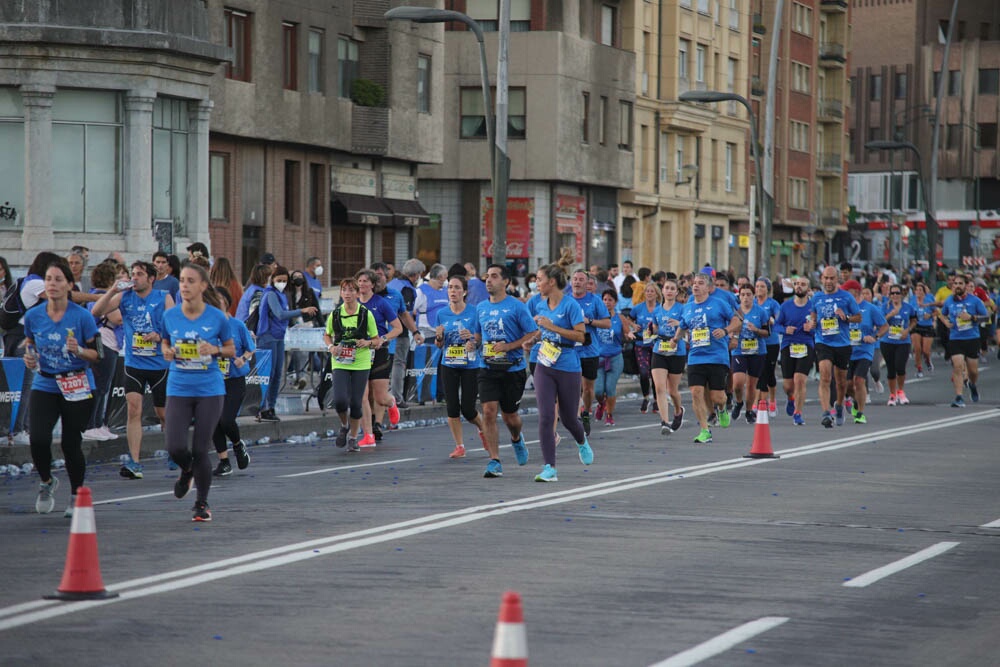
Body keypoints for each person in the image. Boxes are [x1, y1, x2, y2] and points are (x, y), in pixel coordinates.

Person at [23, 260, 101, 516]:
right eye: (48, 279)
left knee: (70, 442)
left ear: (69, 285)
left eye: (58, 279)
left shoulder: (82, 316)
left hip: (77, 383)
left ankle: (77, 494)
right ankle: (46, 481)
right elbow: (29, 342)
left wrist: (78, 350)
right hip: (46, 382)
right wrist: (29, 356)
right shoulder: (34, 315)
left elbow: (97, 353)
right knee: (39, 439)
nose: (52, 284)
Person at [160, 264, 234, 521]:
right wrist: (166, 351)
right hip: (179, 387)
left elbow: (230, 349)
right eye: (181, 280)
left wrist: (214, 350)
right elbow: (165, 340)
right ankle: (187, 470)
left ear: (203, 286)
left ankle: (201, 503)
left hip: (209, 389)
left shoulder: (217, 317)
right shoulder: (170, 316)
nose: (184, 286)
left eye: (190, 281)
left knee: (201, 448)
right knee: (174, 446)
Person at [92, 261, 175, 477]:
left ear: (151, 279)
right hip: (134, 363)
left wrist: (160, 336)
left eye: (139, 274)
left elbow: (176, 327)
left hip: (160, 365)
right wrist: (113, 289)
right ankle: (135, 462)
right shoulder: (125, 297)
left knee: (163, 414)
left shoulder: (163, 297)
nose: (134, 278)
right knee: (134, 408)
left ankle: (174, 450)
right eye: (133, 274)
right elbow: (96, 311)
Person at [530, 260, 593, 482]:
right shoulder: (539, 304)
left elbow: (581, 336)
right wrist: (533, 339)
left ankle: (582, 441)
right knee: (546, 416)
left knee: (568, 418)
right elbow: (541, 329)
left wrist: (552, 327)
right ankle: (550, 467)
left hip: (567, 365)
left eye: (539, 279)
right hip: (544, 365)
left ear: (552, 281)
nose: (536, 283)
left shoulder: (570, 306)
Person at [476, 264, 537, 478]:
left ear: (506, 282)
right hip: (487, 367)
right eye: (487, 277)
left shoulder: (517, 307)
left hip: (513, 368)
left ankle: (516, 439)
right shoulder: (481, 307)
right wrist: (470, 342)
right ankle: (494, 460)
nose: (488, 280)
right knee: (489, 412)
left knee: (510, 416)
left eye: (494, 276)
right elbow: (477, 335)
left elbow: (533, 332)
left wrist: (509, 346)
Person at [669, 273, 740, 443]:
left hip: (717, 356)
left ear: (708, 287)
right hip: (696, 357)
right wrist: (675, 339)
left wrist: (725, 331)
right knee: (696, 392)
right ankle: (704, 430)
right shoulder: (688, 307)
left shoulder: (719, 304)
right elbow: (683, 326)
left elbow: (737, 321)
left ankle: (722, 409)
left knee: (717, 397)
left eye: (700, 283)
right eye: (694, 283)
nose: (696, 286)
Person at [255, 266, 318, 421]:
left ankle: (271, 407)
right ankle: (262, 408)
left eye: (284, 280)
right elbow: (280, 314)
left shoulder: (282, 295)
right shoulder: (270, 294)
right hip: (267, 337)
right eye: (279, 280)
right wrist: (301, 311)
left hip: (279, 337)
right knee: (267, 375)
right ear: (272, 279)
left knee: (277, 375)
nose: (281, 283)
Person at [434, 275, 486, 459]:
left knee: (468, 409)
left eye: (456, 288)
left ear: (464, 292)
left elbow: (480, 339)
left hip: (470, 364)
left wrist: (472, 339)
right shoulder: (441, 313)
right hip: (448, 363)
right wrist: (439, 337)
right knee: (452, 407)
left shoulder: (474, 312)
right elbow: (439, 345)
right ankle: (460, 446)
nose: (452, 291)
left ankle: (483, 429)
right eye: (450, 288)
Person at [326, 277, 379, 452]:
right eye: (344, 290)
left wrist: (367, 343)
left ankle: (354, 438)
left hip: (360, 362)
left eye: (351, 290)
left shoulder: (366, 314)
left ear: (357, 293)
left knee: (356, 403)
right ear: (340, 293)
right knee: (340, 400)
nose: (347, 294)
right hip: (340, 361)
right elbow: (327, 334)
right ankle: (344, 424)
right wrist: (331, 346)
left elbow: (376, 340)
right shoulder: (335, 314)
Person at [355, 269, 403, 445]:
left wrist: (383, 339)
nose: (362, 284)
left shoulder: (381, 303)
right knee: (362, 396)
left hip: (379, 351)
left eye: (366, 281)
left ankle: (391, 403)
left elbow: (398, 328)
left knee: (380, 396)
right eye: (359, 281)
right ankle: (368, 434)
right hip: (359, 352)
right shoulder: (352, 303)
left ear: (373, 285)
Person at [810, 266, 861, 428]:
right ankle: (826, 412)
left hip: (843, 343)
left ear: (838, 279)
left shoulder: (846, 297)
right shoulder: (816, 298)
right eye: (826, 278)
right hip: (823, 341)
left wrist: (845, 317)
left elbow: (858, 317)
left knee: (841, 382)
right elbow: (813, 314)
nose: (828, 281)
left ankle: (839, 405)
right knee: (825, 376)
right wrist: (812, 322)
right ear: (821, 279)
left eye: (832, 278)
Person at [210, 287, 253, 476]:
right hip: (212, 380)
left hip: (235, 379)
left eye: (219, 299)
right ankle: (224, 461)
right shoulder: (208, 327)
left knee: (226, 419)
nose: (216, 303)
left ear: (226, 302)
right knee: (213, 422)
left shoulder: (237, 325)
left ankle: (237, 445)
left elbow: (250, 349)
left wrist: (242, 359)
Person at [82, 261, 123, 443]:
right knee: (100, 386)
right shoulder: (101, 296)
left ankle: (98, 423)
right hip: (105, 342)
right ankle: (91, 424)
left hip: (109, 343)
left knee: (103, 386)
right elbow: (117, 318)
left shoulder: (93, 295)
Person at [569, 269, 611, 436]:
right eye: (575, 279)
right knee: (574, 386)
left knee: (588, 389)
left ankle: (586, 411)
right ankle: (576, 415)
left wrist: (590, 321)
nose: (577, 282)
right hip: (570, 350)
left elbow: (607, 323)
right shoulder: (566, 300)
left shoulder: (594, 301)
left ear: (587, 284)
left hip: (590, 351)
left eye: (581, 279)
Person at [938, 274, 989, 407]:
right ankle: (959, 397)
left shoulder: (975, 301)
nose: (958, 286)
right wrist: (946, 322)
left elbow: (986, 317)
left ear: (966, 286)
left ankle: (972, 385)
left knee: (973, 371)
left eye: (961, 283)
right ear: (952, 286)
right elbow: (942, 314)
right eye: (955, 284)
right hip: (956, 338)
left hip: (972, 338)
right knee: (958, 367)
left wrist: (971, 317)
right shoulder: (949, 301)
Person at [843, 280, 888, 425]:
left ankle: (860, 413)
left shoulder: (870, 308)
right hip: (847, 351)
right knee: (848, 385)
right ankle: (855, 400)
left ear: (855, 292)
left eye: (847, 291)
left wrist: (874, 337)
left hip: (864, 351)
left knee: (859, 380)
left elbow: (884, 326)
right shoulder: (843, 308)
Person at [774, 276, 816, 426]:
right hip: (788, 346)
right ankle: (791, 398)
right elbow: (776, 326)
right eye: (797, 284)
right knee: (788, 386)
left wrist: (811, 328)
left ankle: (798, 413)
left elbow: (821, 328)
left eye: (802, 284)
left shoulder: (813, 307)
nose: (799, 286)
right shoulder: (786, 306)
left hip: (806, 345)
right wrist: (785, 329)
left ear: (807, 288)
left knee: (799, 380)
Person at [649, 279, 687, 435]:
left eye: (673, 288)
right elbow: (655, 328)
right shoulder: (657, 310)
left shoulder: (682, 309)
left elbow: (688, 327)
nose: (670, 291)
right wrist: (651, 331)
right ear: (662, 291)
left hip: (676, 350)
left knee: (672, 391)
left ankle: (678, 410)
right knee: (659, 387)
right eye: (667, 288)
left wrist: (679, 324)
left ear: (677, 292)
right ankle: (665, 422)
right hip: (660, 349)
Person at [386, 259, 425, 407]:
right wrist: (414, 331)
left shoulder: (392, 283)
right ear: (415, 275)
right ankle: (397, 397)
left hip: (382, 330)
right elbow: (404, 314)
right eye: (419, 274)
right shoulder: (407, 289)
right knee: (399, 364)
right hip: (398, 332)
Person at [730, 284, 770, 424]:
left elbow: (767, 333)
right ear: (739, 296)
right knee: (738, 383)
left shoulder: (761, 312)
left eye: (748, 294)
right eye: (743, 295)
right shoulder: (735, 313)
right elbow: (728, 329)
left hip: (757, 351)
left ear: (753, 296)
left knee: (752, 384)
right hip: (739, 350)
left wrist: (757, 330)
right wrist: (732, 334)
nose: (746, 297)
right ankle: (739, 402)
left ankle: (748, 411)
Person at [594, 288, 630, 427]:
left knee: (610, 388)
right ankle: (601, 404)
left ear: (615, 302)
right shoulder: (597, 317)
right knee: (598, 390)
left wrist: (629, 335)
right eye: (604, 299)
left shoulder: (619, 318)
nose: (607, 302)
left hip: (615, 357)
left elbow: (627, 332)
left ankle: (609, 414)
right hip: (598, 358)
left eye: (610, 300)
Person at [285, 269, 324, 390]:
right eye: (295, 276)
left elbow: (317, 310)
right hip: (293, 328)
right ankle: (298, 376)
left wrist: (323, 326)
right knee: (296, 352)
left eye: (300, 276)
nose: (298, 278)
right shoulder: (288, 294)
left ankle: (301, 376)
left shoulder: (309, 292)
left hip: (308, 327)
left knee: (304, 352)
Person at [880, 284, 917, 406]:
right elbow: (879, 322)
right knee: (891, 369)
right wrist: (890, 314)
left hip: (903, 341)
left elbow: (914, 320)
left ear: (901, 294)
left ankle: (900, 391)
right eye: (892, 293)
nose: (895, 295)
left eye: (897, 293)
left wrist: (908, 330)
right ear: (889, 295)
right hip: (887, 341)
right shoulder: (884, 307)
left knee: (900, 366)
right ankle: (892, 394)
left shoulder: (908, 307)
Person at [631, 281, 661, 414]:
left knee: (655, 373)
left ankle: (656, 399)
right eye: (647, 291)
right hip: (641, 344)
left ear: (656, 294)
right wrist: (633, 326)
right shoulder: (638, 308)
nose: (649, 293)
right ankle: (645, 397)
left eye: (652, 291)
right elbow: (627, 318)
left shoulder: (660, 308)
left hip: (656, 344)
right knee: (644, 372)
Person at [754, 278, 782, 417]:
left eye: (762, 286)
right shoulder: (752, 303)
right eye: (757, 286)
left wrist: (773, 320)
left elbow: (779, 319)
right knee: (759, 372)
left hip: (771, 343)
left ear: (768, 289)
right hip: (756, 343)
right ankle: (759, 402)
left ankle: (771, 400)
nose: (759, 289)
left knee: (769, 373)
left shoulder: (772, 303)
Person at [910, 282, 937, 378]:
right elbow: (909, 312)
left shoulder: (929, 299)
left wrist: (929, 315)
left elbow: (936, 312)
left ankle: (928, 360)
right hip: (916, 326)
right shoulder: (912, 300)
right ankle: (919, 368)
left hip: (927, 326)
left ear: (924, 292)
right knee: (917, 349)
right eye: (916, 290)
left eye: (920, 290)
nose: (918, 292)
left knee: (925, 351)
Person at [414, 263, 449, 338]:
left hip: (444, 332)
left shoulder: (446, 290)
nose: (447, 277)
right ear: (440, 277)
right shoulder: (420, 291)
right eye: (446, 275)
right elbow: (409, 311)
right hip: (426, 333)